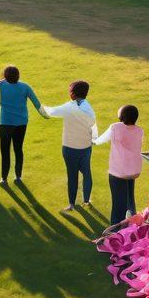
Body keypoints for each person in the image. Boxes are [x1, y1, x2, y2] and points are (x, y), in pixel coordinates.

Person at [0, 65, 47, 186]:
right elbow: (37, 103)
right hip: (21, 124)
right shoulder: (25, 87)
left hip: (5, 124)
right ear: (18, 76)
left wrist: (0, 81)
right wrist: (46, 115)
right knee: (18, 149)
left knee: (5, 151)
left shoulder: (1, 84)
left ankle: (4, 179)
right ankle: (18, 177)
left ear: (6, 76)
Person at [42, 80, 97, 212]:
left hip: (70, 147)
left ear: (72, 94)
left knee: (72, 175)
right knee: (86, 173)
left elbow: (50, 112)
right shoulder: (88, 108)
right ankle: (86, 201)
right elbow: (93, 126)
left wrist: (39, 105)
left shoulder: (69, 107)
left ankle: (72, 204)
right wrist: (94, 139)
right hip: (85, 147)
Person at [95, 104, 145, 226]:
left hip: (119, 172)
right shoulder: (140, 131)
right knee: (130, 200)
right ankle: (133, 226)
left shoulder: (115, 128)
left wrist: (93, 141)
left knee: (118, 206)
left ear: (122, 116)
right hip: (134, 171)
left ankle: (115, 233)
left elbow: (100, 140)